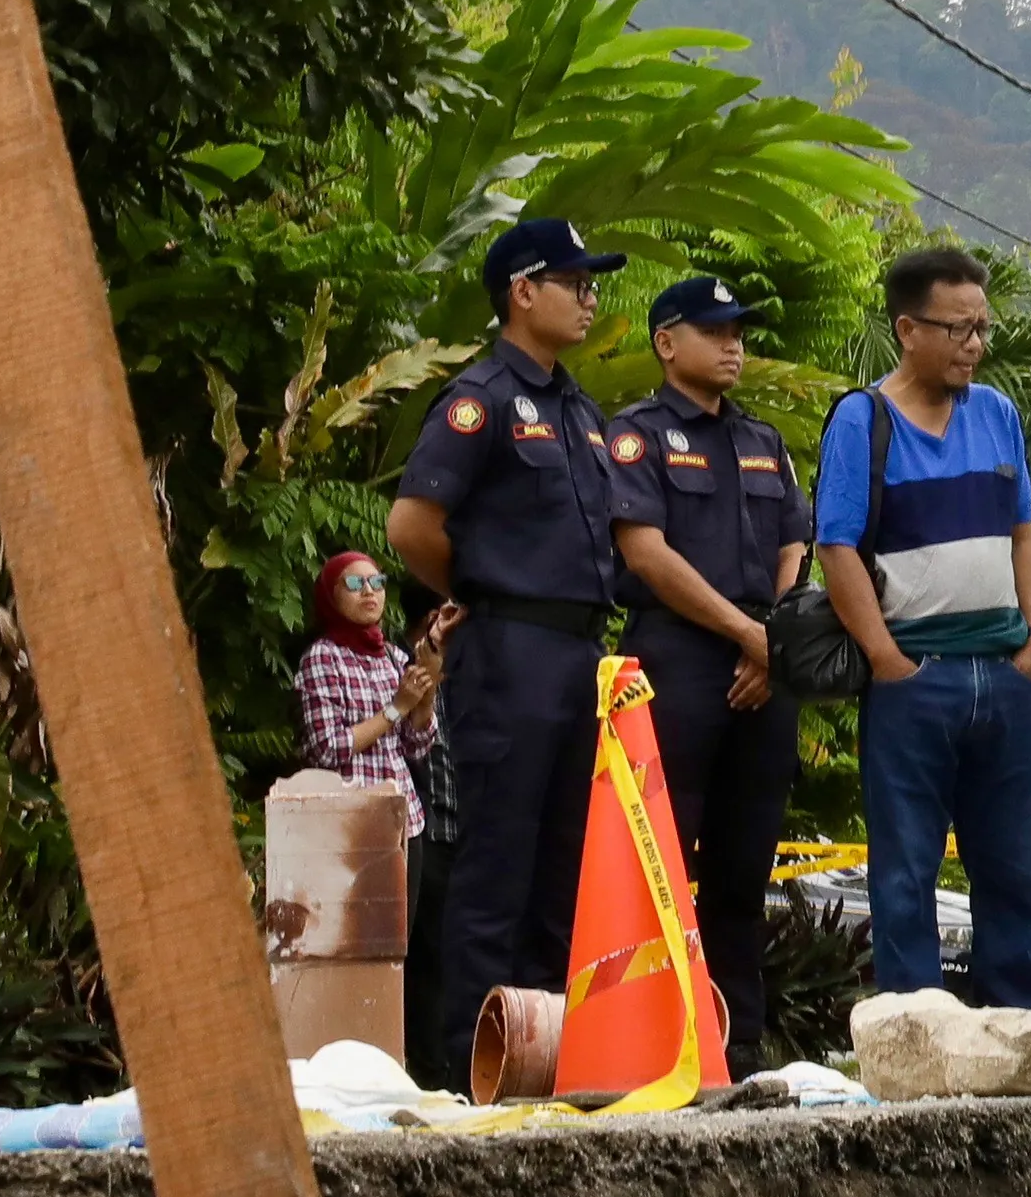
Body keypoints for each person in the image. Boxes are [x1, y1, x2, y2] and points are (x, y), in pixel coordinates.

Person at [387, 215, 627, 1037]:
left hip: (578, 651)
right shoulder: (478, 401)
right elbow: (412, 525)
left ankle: (546, 1059)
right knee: (497, 868)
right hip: (509, 648)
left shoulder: (584, 413)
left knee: (563, 871)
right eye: (577, 283)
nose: (592, 299)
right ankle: (473, 1066)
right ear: (524, 292)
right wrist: (482, 590)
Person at [816, 245, 1031, 1009]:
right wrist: (887, 660)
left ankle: (1023, 1029)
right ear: (907, 329)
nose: (974, 345)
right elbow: (836, 549)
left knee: (1017, 868)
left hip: (1005, 675)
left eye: (982, 328)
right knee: (905, 872)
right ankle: (917, 1032)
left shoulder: (998, 414)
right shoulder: (862, 422)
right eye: (957, 329)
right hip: (915, 679)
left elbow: (1022, 533)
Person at [607, 275, 808, 1066]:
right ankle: (653, 1042)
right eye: (716, 330)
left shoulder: (763, 441)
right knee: (659, 857)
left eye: (740, 332)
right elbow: (645, 553)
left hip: (766, 662)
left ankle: (741, 1044)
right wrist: (748, 636)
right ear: (666, 342)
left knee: (742, 868)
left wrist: (774, 639)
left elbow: (796, 542)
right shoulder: (638, 436)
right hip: (678, 661)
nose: (734, 345)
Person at [293, 551, 455, 1078]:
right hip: (350, 830)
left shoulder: (391, 658)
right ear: (331, 597)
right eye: (354, 584)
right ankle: (349, 1069)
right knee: (355, 957)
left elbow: (418, 741)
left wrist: (421, 697)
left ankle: (395, 1069)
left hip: (403, 821)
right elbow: (329, 749)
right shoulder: (323, 658)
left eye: (377, 581)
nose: (370, 592)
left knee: (399, 958)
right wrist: (395, 708)